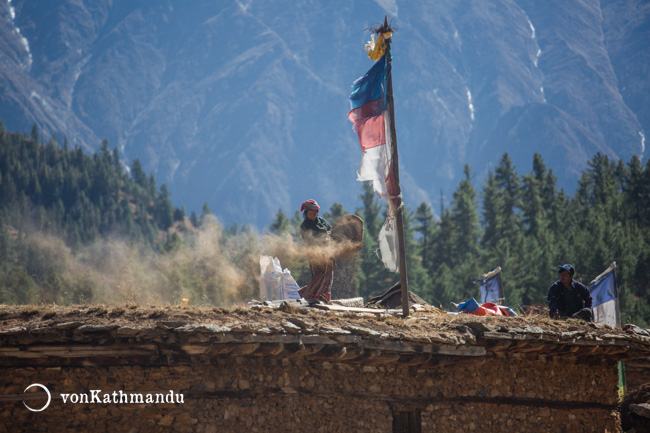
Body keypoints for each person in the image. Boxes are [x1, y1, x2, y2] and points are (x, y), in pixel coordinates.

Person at [298, 199, 334, 303]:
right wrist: (324, 238)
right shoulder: (305, 226)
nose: (314, 214)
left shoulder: (321, 220)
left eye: (315, 212)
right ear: (306, 214)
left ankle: (322, 295)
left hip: (327, 252)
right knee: (319, 275)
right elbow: (309, 240)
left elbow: (330, 230)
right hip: (315, 254)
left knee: (328, 274)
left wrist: (330, 235)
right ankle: (308, 294)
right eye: (311, 213)